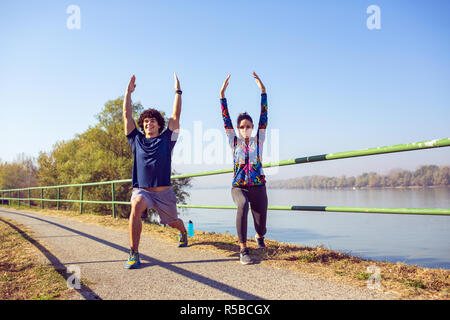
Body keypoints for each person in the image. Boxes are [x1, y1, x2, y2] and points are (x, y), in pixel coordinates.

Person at [123, 73, 188, 269]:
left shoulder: (167, 139)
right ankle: (134, 253)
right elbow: (127, 116)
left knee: (172, 222)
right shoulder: (136, 140)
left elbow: (175, 116)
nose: (148, 124)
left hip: (164, 193)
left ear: (159, 124)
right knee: (136, 206)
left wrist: (178, 91)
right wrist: (128, 93)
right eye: (145, 122)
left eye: (152, 121)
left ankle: (183, 231)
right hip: (142, 191)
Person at [219, 72, 268, 265]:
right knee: (242, 205)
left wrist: (263, 92)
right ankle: (243, 249)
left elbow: (265, 116)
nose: (245, 128)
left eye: (248, 126)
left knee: (261, 224)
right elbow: (225, 120)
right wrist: (222, 95)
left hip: (259, 186)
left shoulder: (259, 140)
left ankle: (259, 237)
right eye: (242, 126)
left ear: (253, 127)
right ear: (238, 129)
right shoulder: (233, 141)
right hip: (239, 186)